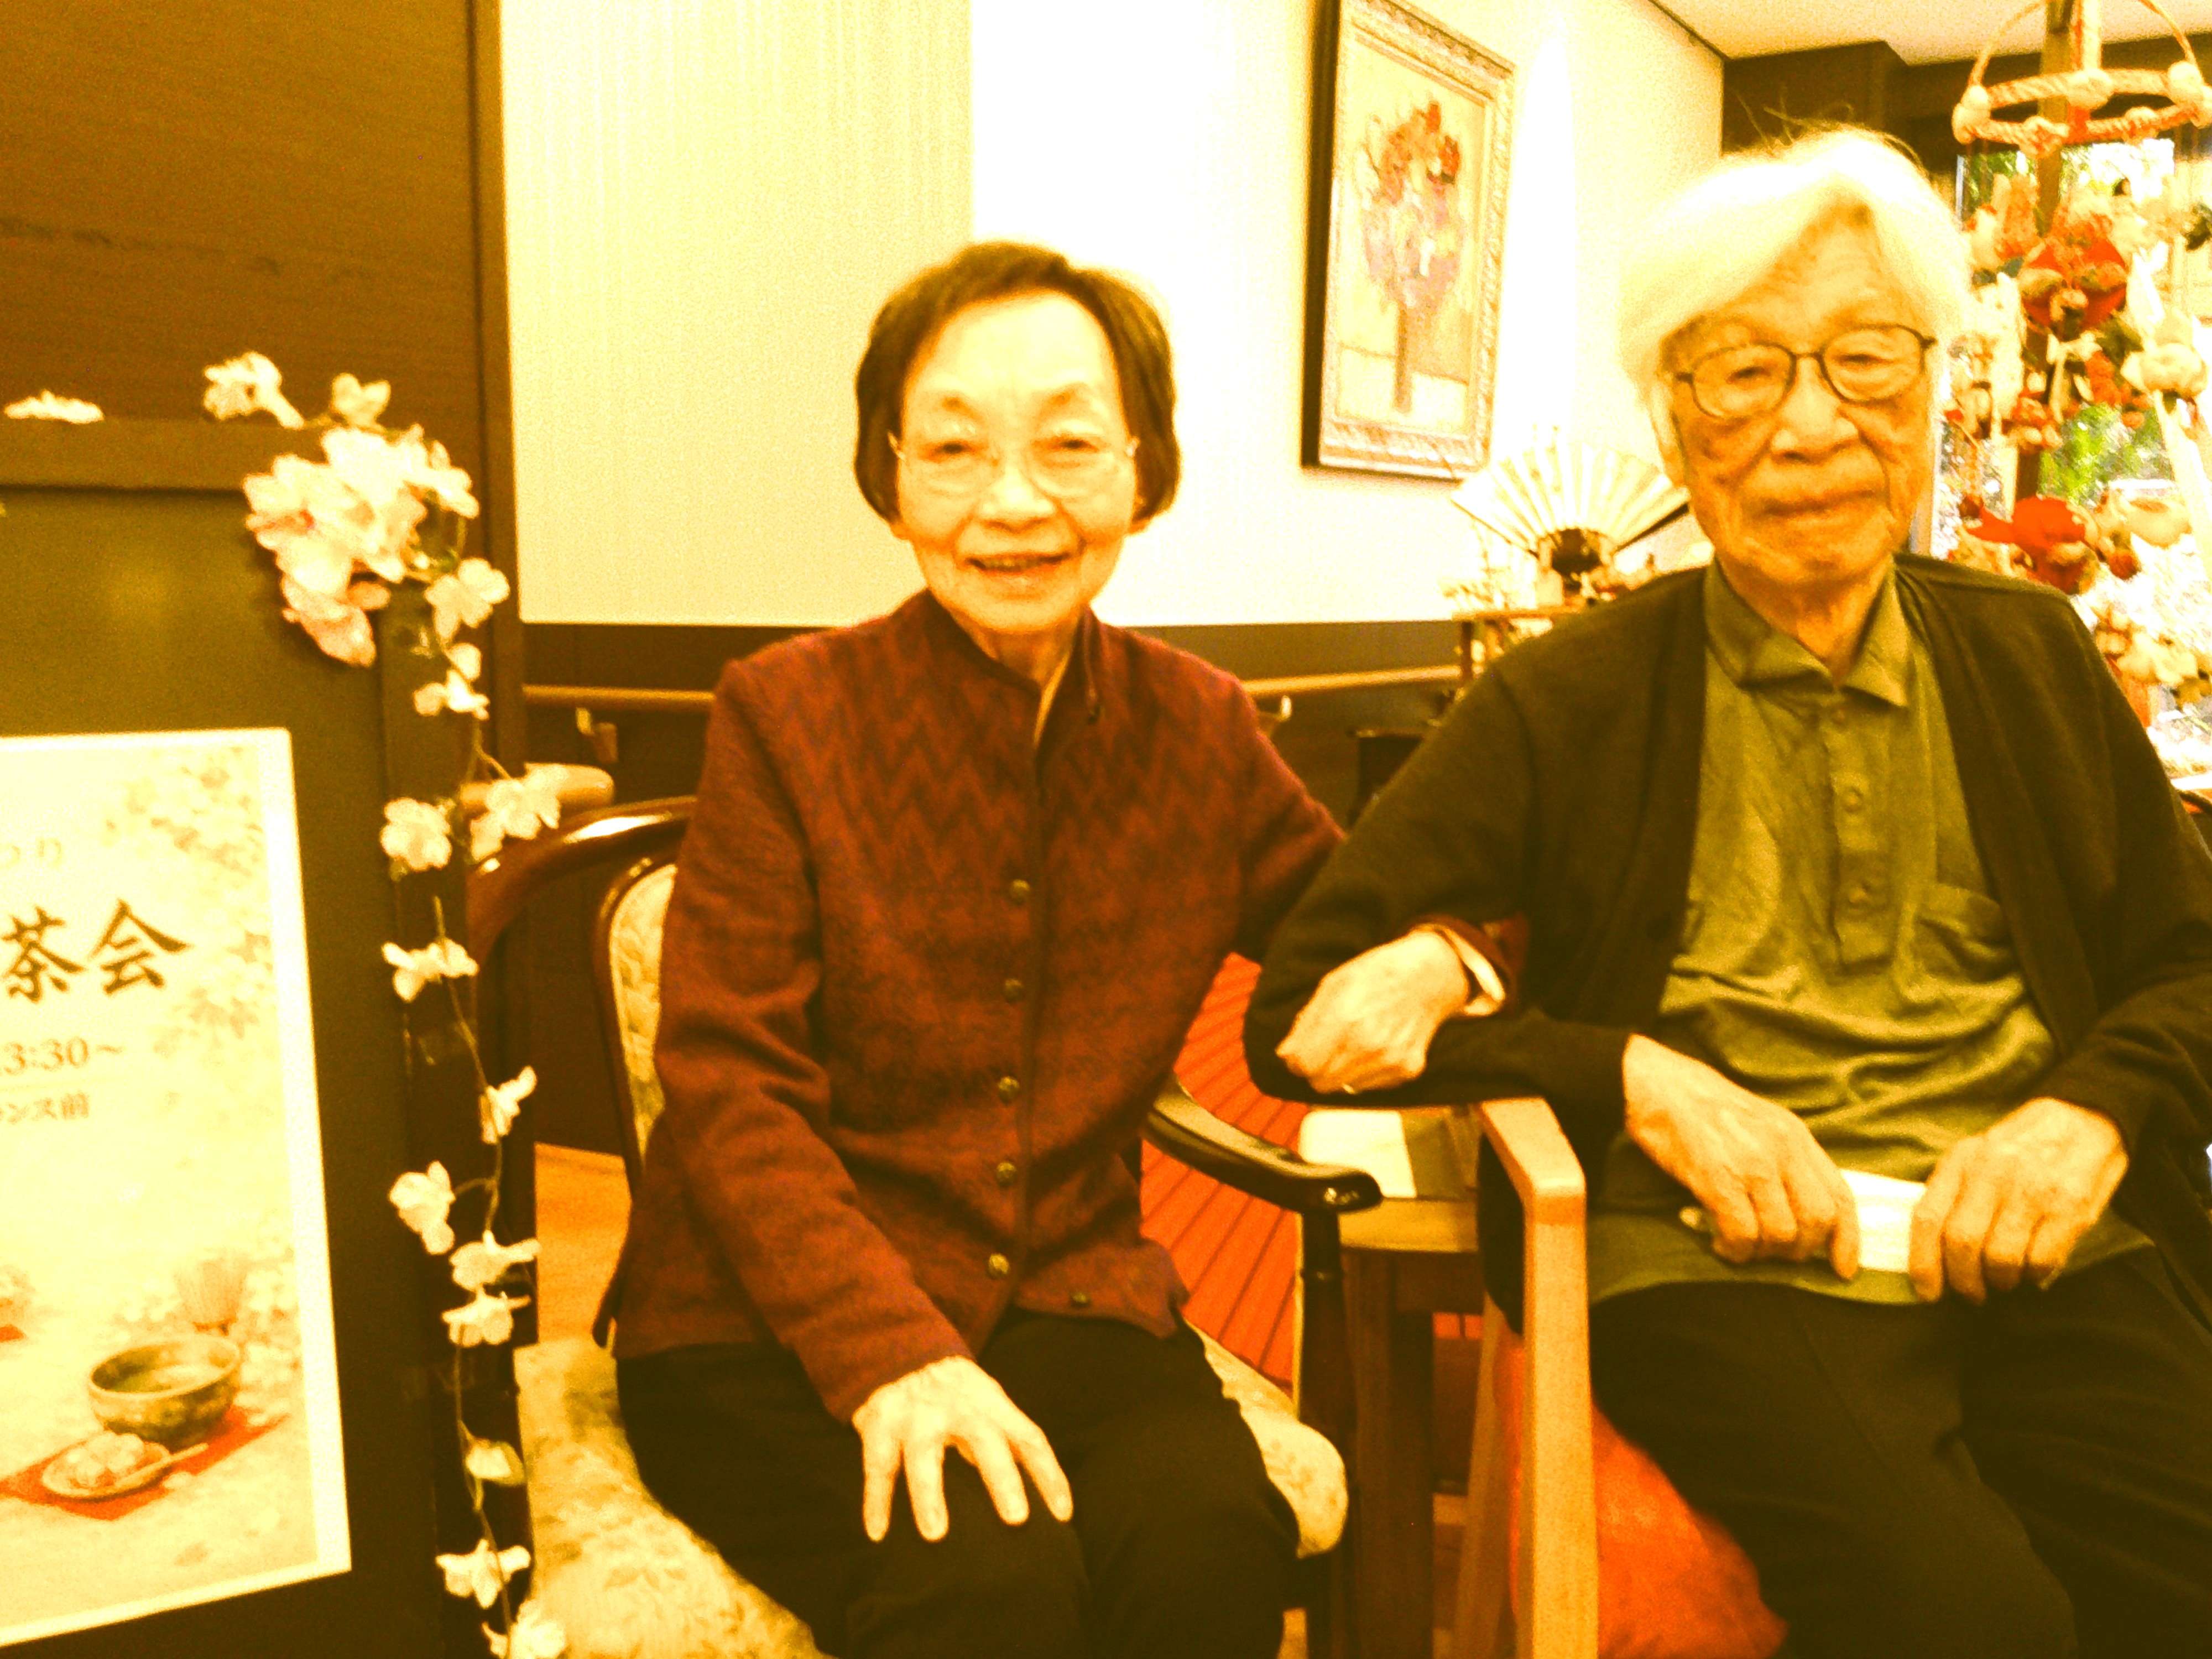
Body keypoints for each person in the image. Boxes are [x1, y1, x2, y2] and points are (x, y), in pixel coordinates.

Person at [1245, 131, 2212, 1659]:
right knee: (1962, 1617)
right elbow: (1298, 1011)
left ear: (1932, 390)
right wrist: (1630, 1075)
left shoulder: (2025, 654)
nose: (1811, 426)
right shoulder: (1569, 696)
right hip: (1719, 1258)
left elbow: (2187, 959)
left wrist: (2086, 1114)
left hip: (2034, 1241)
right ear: (1671, 425)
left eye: (1864, 359)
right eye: (1743, 373)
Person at [606, 242, 1343, 1659]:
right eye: (952, 449)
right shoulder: (786, 713)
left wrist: (1446, 953)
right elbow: (727, 1077)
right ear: (888, 478)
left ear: (1143, 468)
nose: (1011, 502)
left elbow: (1361, 920)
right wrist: (885, 1354)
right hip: (762, 1324)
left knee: (1205, 1542)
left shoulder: (1198, 726)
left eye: (1066, 444)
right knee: (984, 1581)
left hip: (1070, 1297)